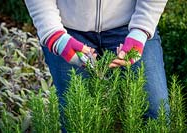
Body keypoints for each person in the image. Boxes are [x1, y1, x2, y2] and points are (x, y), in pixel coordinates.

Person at [25, 0, 169, 132]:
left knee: (156, 112)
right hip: (66, 29)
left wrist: (141, 29)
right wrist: (54, 36)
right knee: (76, 117)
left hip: (131, 24)